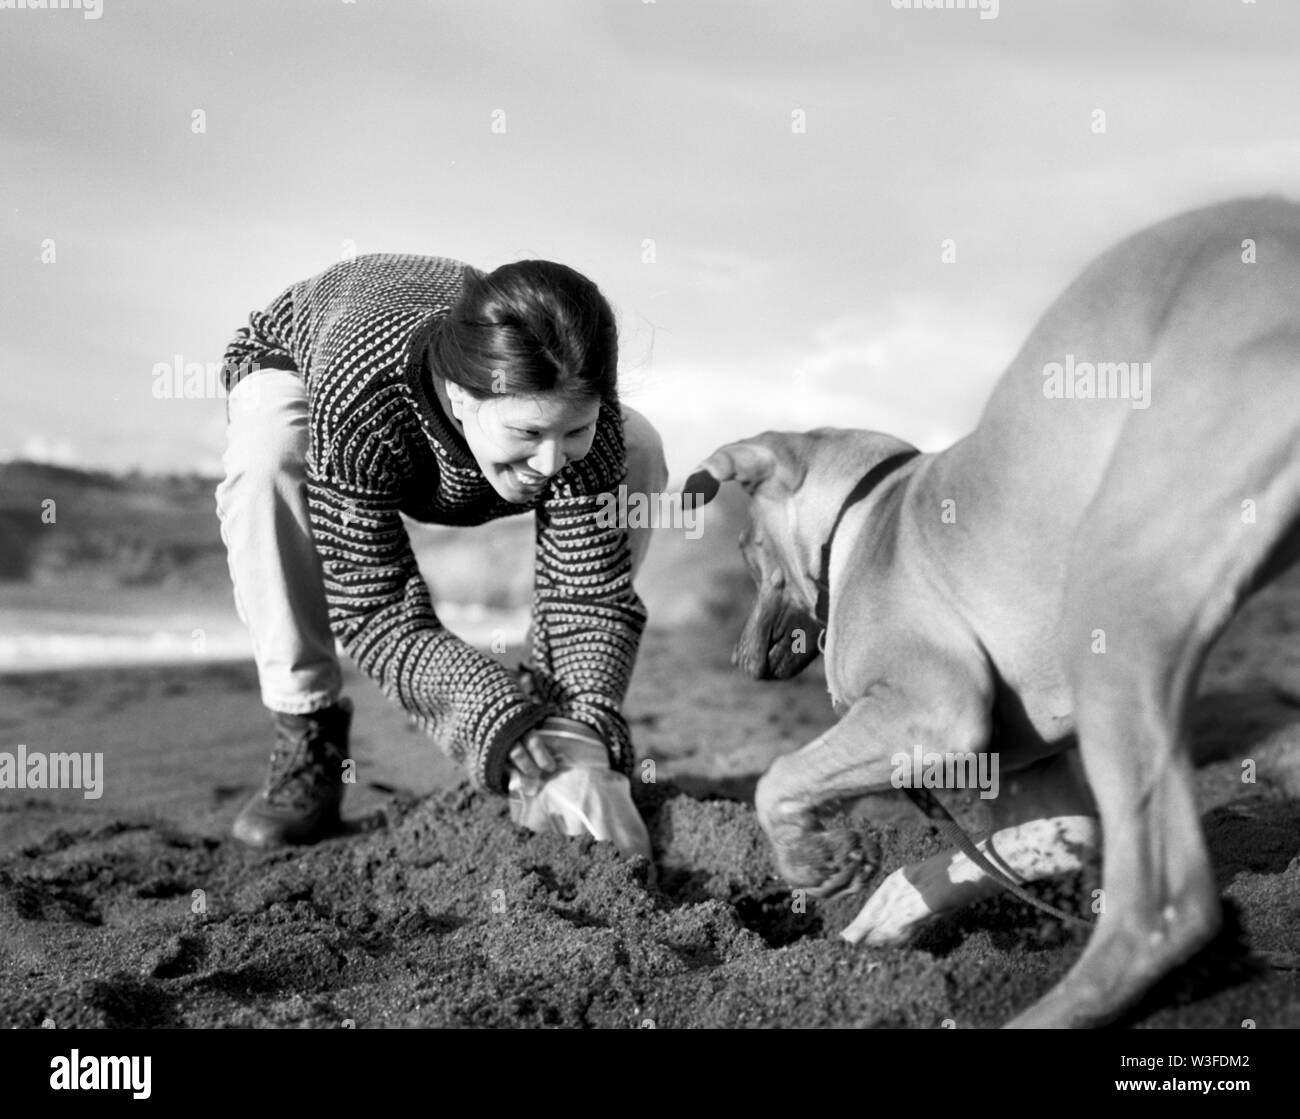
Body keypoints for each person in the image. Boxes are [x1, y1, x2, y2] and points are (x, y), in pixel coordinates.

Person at [215, 253, 667, 848]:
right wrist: (488, 711)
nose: (552, 463)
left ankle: (557, 704)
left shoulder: (594, 422)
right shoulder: (362, 404)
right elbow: (376, 605)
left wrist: (583, 722)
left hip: (457, 397)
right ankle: (306, 726)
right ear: (460, 395)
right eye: (529, 433)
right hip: (310, 361)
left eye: (574, 431)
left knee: (639, 443)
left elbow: (590, 589)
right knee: (270, 454)